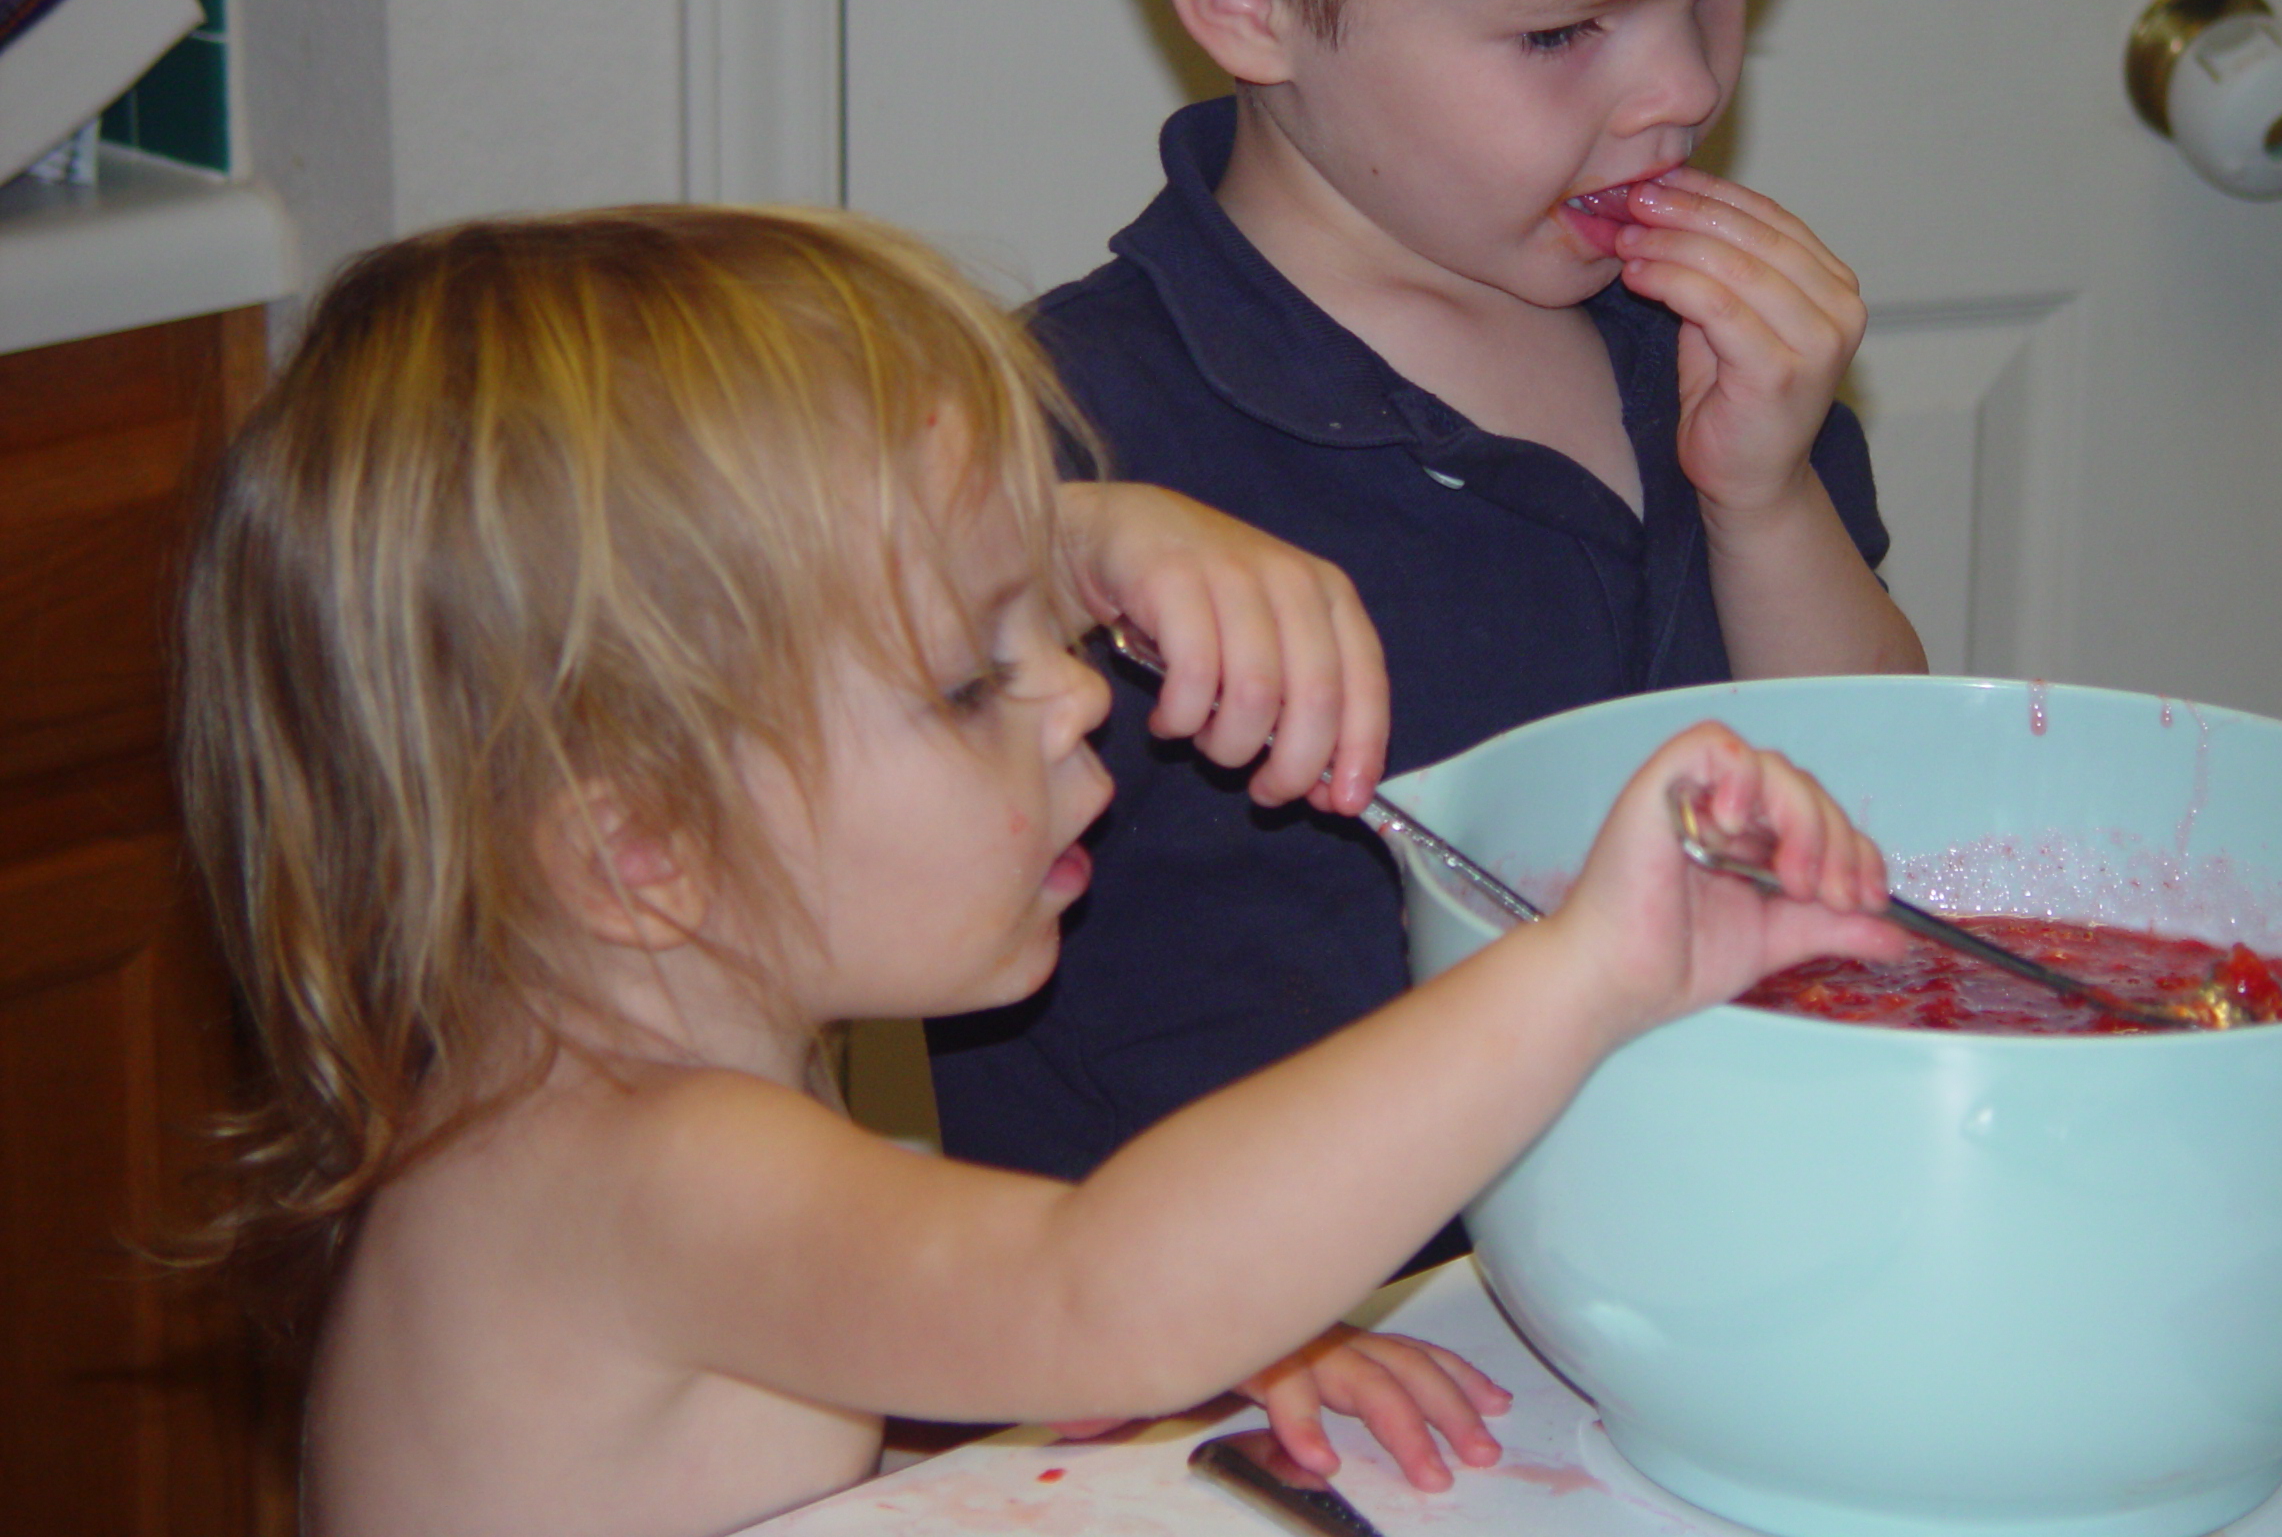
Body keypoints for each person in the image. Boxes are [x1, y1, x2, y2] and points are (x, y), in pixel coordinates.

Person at [176, 205, 1905, 1537]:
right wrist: (1584, 965)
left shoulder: (579, 1057)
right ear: (640, 844)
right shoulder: (643, 1172)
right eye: (964, 677)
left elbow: (931, 1349)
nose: (1082, 689)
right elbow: (1098, 1291)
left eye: (1046, 620)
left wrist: (1090, 536)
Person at [928, 0, 1929, 1224]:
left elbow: (1880, 799)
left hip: (1689, 1250)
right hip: (1208, 1377)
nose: (1678, 87)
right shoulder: (1059, 436)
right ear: (1249, 5)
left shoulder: (1697, 342)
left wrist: (1767, 506)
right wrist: (1031, 552)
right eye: (1561, 31)